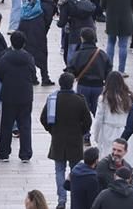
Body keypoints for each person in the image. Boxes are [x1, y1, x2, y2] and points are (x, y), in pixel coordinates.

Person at [40, 72, 92, 209]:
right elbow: (88, 120)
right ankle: (74, 197)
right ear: (72, 84)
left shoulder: (53, 99)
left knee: (59, 170)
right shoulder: (79, 99)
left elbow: (43, 118)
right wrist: (81, 132)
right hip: (75, 140)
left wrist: (51, 131)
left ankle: (61, 199)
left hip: (58, 140)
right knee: (75, 171)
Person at [0, 30, 37, 163]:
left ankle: (4, 153)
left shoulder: (5, 57)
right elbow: (33, 75)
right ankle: (25, 154)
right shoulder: (29, 58)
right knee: (25, 124)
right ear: (24, 43)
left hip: (8, 94)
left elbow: (0, 74)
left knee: (6, 124)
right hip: (25, 95)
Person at [91, 71, 133, 169]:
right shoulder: (129, 96)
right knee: (126, 157)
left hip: (108, 130)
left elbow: (99, 118)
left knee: (109, 157)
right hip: (125, 130)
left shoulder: (104, 98)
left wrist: (95, 135)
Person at [67, 27, 112, 114]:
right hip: (98, 86)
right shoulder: (102, 54)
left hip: (83, 85)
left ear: (82, 38)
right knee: (98, 112)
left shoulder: (78, 54)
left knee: (82, 112)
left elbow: (71, 70)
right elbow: (108, 71)